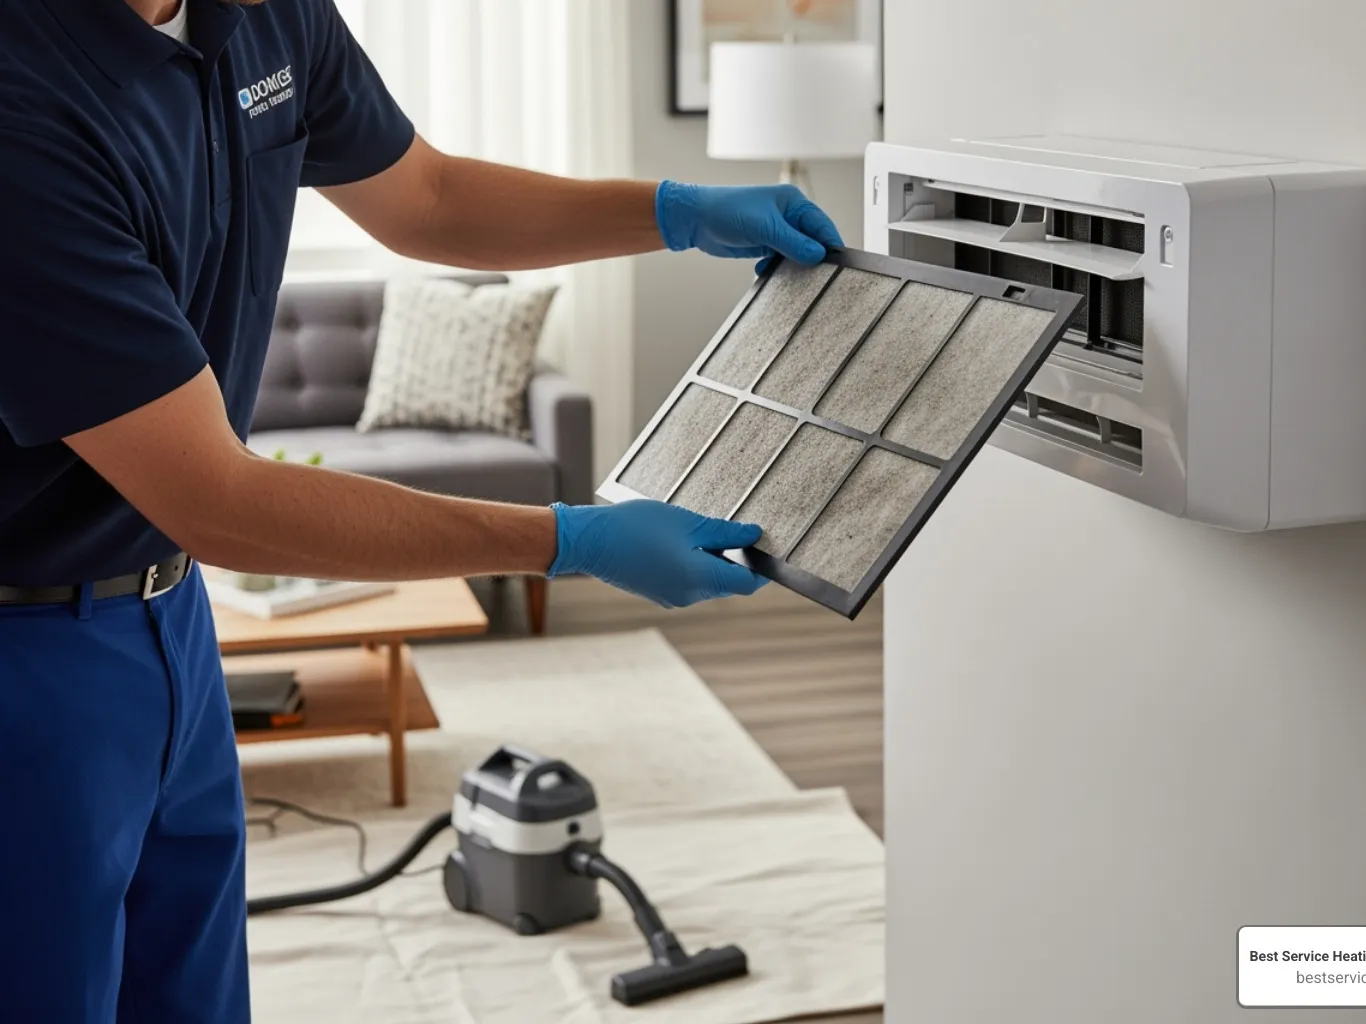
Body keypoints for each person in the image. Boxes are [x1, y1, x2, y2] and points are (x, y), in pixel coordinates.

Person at [0, 0, 845, 1021]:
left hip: (172, 618)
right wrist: (567, 540)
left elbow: (429, 198)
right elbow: (218, 499)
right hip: (31, 654)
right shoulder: (22, 103)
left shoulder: (267, 16)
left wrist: (674, 210)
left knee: (194, 996)